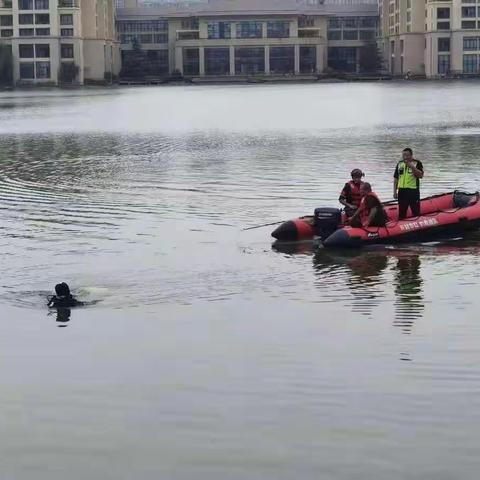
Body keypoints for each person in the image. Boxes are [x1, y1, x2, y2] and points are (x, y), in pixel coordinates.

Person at [394, 147, 424, 220]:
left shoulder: (417, 163)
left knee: (416, 212)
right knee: (401, 213)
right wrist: (395, 191)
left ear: (411, 155)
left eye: (407, 155)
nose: (405, 157)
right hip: (402, 191)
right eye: (403, 155)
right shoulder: (400, 164)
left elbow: (421, 176)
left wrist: (413, 167)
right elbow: (396, 178)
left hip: (413, 191)